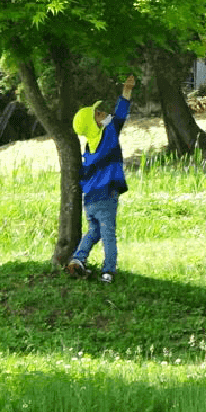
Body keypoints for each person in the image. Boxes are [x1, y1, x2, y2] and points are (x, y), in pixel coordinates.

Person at [66, 74, 134, 283]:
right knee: (108, 234)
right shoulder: (108, 134)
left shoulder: (88, 146)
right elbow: (120, 116)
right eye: (98, 113)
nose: (103, 113)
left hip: (90, 198)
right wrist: (127, 91)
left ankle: (78, 259)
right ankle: (108, 271)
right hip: (106, 195)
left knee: (94, 231)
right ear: (94, 124)